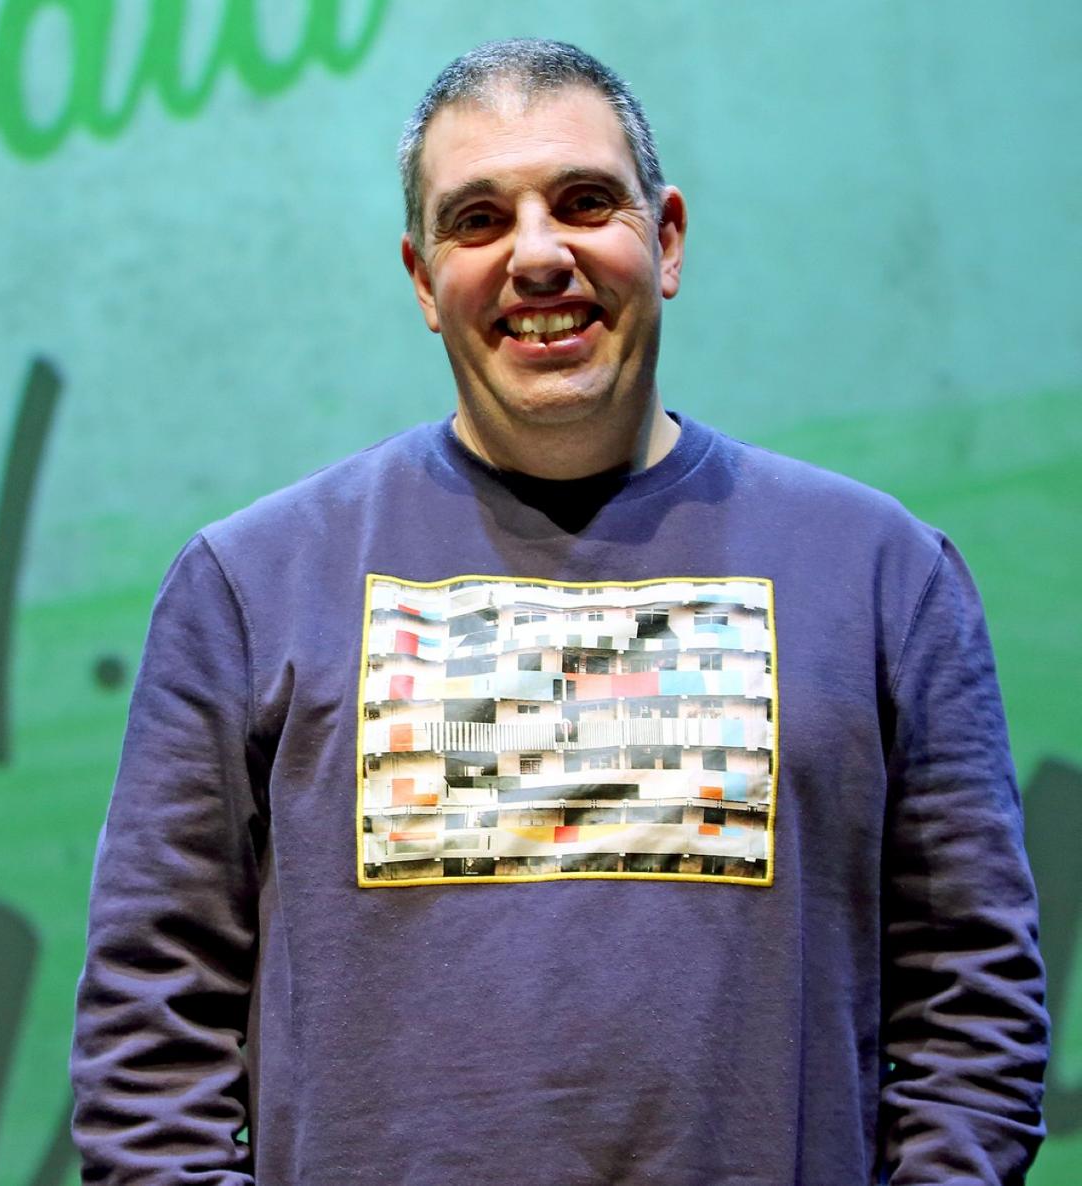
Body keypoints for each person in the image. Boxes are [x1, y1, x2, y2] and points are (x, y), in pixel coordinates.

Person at [70, 38, 1048, 1185]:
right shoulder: (248, 586)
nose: (538, 256)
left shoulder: (883, 576)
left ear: (666, 239)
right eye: (479, 220)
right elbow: (148, 1036)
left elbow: (971, 1007)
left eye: (584, 202)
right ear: (423, 279)